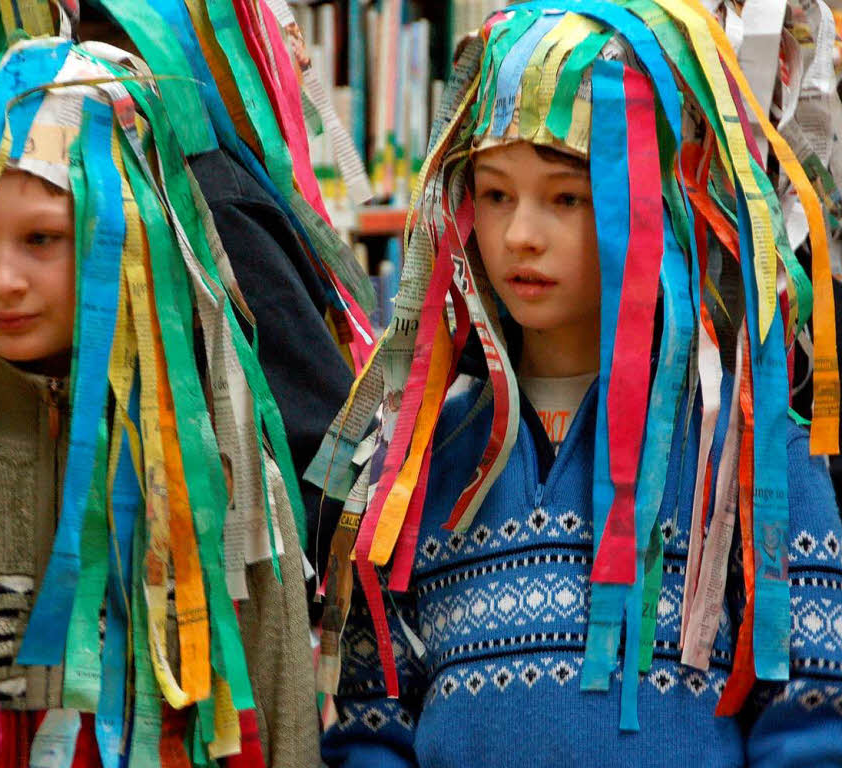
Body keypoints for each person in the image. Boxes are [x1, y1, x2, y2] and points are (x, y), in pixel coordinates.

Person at [314, 2, 842, 766]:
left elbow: (814, 728)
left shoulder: (747, 461)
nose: (520, 233)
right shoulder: (413, 468)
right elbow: (374, 732)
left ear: (655, 204)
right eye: (495, 194)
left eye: (567, 196)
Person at [0, 37, 317, 767]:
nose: (2, 280)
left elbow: (285, 726)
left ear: (133, 232)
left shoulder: (223, 469)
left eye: (43, 238)